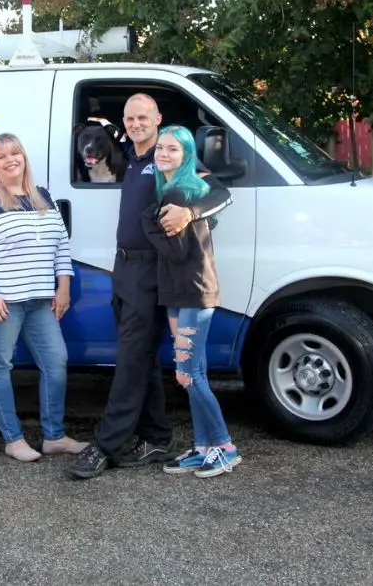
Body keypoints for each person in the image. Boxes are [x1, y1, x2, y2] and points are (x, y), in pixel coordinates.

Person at [69, 93, 227, 480]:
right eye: (129, 118)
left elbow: (220, 193)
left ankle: (106, 444)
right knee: (142, 357)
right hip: (123, 268)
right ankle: (157, 436)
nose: (136, 123)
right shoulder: (133, 158)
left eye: (143, 117)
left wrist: (190, 212)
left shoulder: (167, 157)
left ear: (158, 118)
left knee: (130, 359)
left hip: (150, 273)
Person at [0, 133, 87, 462]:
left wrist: (63, 288)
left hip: (40, 302)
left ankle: (54, 436)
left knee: (56, 362)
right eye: (2, 156)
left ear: (24, 157)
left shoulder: (43, 196)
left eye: (15, 152)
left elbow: (61, 245)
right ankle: (13, 439)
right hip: (2, 302)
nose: (10, 159)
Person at [141, 125, 241, 477]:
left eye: (173, 149)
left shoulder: (181, 192)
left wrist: (148, 224)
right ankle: (203, 448)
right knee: (193, 372)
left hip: (194, 293)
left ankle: (225, 447)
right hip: (178, 294)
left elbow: (178, 250)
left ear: (187, 156)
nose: (163, 154)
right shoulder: (175, 189)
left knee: (186, 374)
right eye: (160, 148)